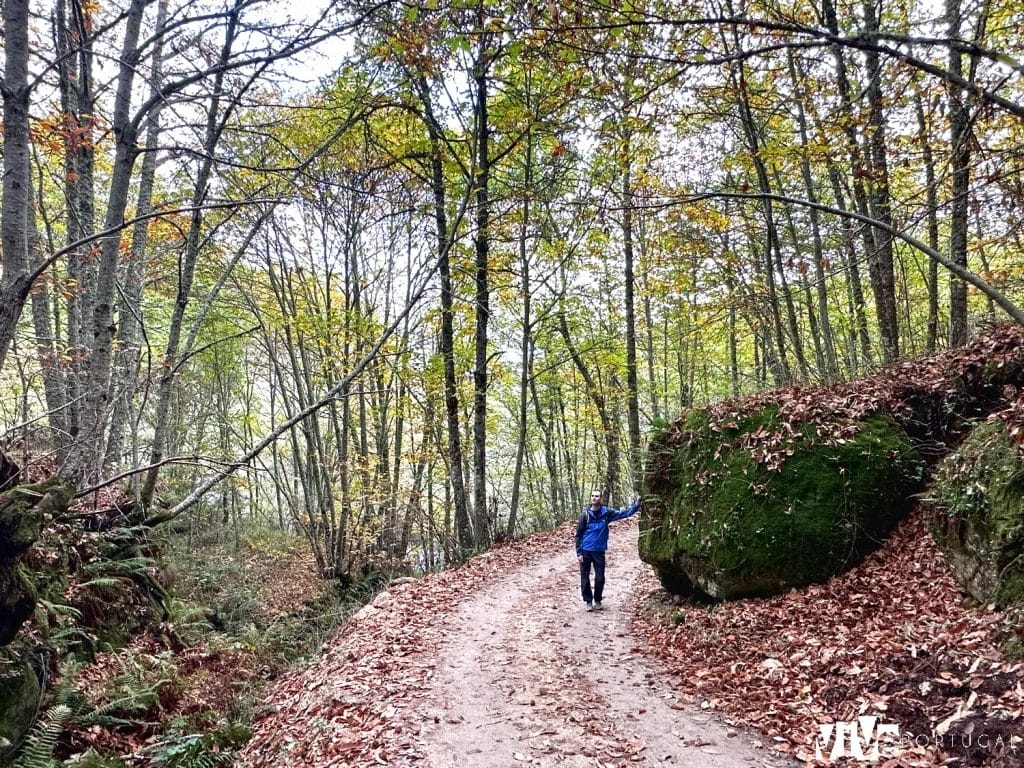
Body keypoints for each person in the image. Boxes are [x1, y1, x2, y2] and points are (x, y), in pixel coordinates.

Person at [574, 490, 641, 612]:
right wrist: (579, 553)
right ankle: (588, 601)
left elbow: (623, 514)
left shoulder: (606, 513)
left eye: (597, 496)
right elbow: (578, 534)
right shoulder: (585, 515)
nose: (594, 498)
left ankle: (598, 599)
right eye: (593, 496)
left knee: (600, 577)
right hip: (585, 551)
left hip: (599, 551)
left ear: (601, 499)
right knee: (585, 577)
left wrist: (636, 505)